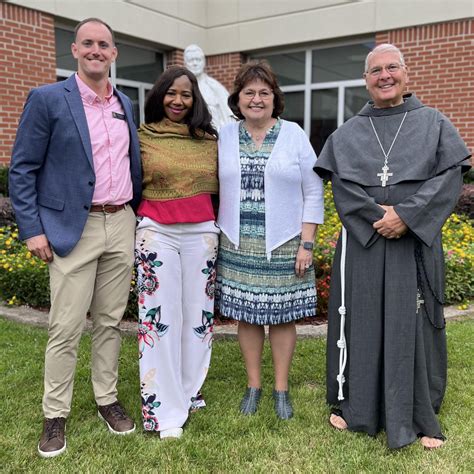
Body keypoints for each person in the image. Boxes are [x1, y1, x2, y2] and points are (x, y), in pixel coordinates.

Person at [314, 44, 471, 449]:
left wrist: (407, 216)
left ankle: (417, 411)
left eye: (392, 68)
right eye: (375, 70)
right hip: (364, 244)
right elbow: (342, 187)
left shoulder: (434, 123)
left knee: (411, 322)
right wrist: (378, 218)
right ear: (365, 81)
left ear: (406, 74)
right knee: (360, 319)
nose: (384, 76)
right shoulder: (348, 132)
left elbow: (449, 177)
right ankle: (359, 407)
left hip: (413, 243)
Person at [9, 18, 142, 457]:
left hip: (120, 221)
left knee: (109, 322)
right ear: (74, 49)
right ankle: (55, 415)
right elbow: (23, 169)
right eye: (88, 43)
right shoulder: (48, 99)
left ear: (114, 52)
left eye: (104, 44)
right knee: (65, 327)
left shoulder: (125, 102)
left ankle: (107, 400)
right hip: (72, 229)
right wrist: (32, 230)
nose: (96, 50)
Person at [216, 61, 324, 419]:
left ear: (275, 98)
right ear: (238, 98)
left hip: (285, 243)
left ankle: (281, 390)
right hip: (237, 244)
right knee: (246, 317)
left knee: (281, 318)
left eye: (264, 92)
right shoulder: (225, 136)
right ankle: (253, 385)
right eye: (249, 92)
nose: (257, 99)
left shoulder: (293, 134)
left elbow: (313, 190)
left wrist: (307, 243)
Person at [135, 66, 219, 439]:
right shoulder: (141, 137)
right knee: (159, 320)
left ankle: (188, 391)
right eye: (171, 93)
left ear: (194, 99)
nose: (178, 101)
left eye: (186, 94)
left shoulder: (209, 139)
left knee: (197, 318)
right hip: (157, 232)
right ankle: (163, 411)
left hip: (202, 232)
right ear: (159, 96)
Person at [184, 44, 234, 130]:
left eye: (198, 60)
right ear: (185, 63)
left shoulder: (215, 87)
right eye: (191, 60)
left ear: (204, 62)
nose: (195, 63)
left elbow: (228, 116)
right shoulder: (181, 86)